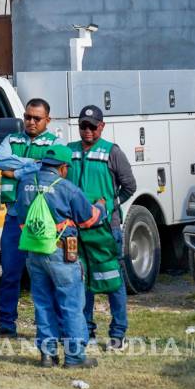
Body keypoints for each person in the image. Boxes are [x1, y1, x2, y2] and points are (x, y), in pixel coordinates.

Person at [13, 144, 107, 368]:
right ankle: (74, 357)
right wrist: (101, 207)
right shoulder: (67, 188)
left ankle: (47, 355)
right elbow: (88, 220)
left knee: (43, 303)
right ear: (63, 168)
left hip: (34, 251)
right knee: (71, 304)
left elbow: (20, 216)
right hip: (62, 252)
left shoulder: (25, 183)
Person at [0, 97, 60, 338]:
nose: (31, 122)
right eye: (27, 117)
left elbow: (50, 167)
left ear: (48, 120)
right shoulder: (12, 139)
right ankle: (6, 324)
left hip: (40, 220)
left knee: (43, 276)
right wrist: (32, 165)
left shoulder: (54, 144)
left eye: (37, 118)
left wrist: (15, 171)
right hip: (14, 216)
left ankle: (47, 328)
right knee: (10, 273)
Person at [69, 104, 136, 350]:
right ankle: (87, 332)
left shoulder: (112, 152)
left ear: (102, 126)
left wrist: (108, 205)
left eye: (92, 126)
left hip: (107, 230)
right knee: (83, 281)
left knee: (112, 281)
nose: (87, 131)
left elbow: (129, 186)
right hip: (76, 230)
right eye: (83, 126)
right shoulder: (70, 151)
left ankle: (118, 333)